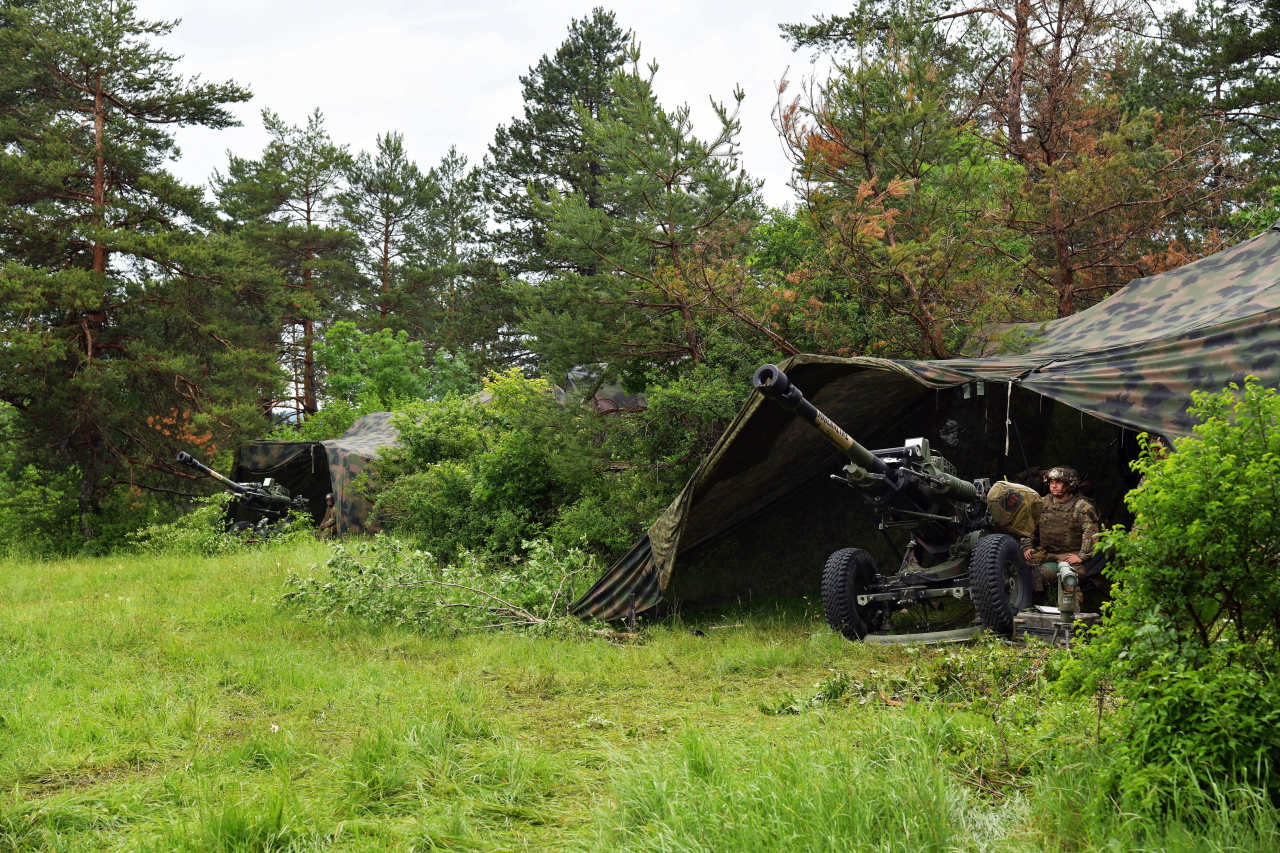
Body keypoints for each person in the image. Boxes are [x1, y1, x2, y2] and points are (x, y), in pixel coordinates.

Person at [1021, 466, 1101, 589]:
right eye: (1051, 482)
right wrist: (1027, 546)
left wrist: (1081, 556)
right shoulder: (1042, 503)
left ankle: (1072, 607)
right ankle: (1030, 605)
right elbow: (1029, 526)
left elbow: (1091, 532)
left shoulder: (1081, 507)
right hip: (1045, 553)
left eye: (1058, 482)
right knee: (1022, 571)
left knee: (1069, 579)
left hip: (1069, 555)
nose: (1053, 486)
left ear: (1069, 485)